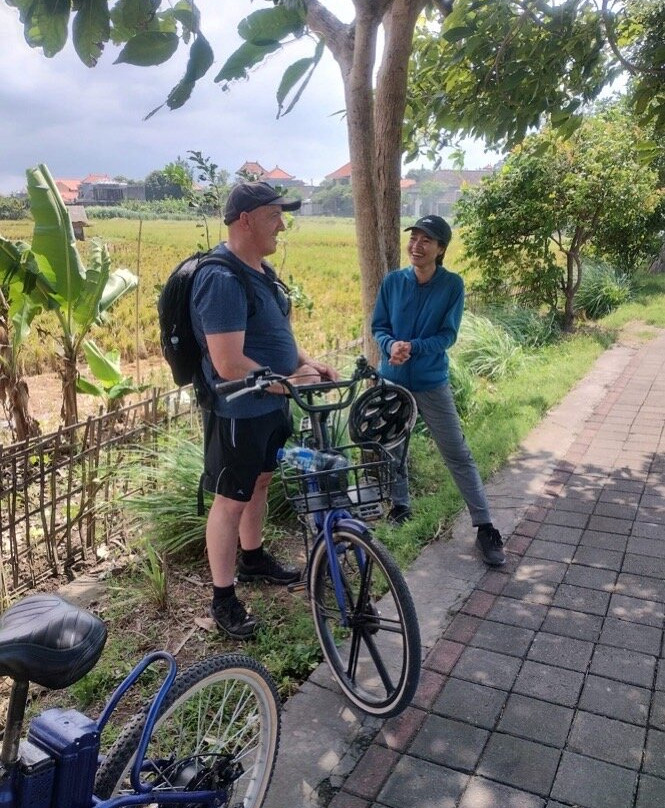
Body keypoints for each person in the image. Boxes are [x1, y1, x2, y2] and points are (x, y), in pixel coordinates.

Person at [191, 181, 338, 638]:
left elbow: (276, 337)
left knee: (260, 482)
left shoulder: (261, 270)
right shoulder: (221, 279)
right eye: (275, 215)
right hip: (238, 413)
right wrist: (289, 383)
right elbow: (228, 362)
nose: (282, 224)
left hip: (270, 406)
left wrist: (308, 363)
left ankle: (252, 560)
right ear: (246, 220)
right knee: (230, 500)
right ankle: (222, 598)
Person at [371, 214, 506, 567]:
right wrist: (390, 346)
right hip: (392, 379)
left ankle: (485, 526)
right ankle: (401, 505)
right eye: (414, 238)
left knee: (457, 452)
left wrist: (413, 347)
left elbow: (448, 335)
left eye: (426, 240)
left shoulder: (452, 285)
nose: (416, 246)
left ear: (441, 249)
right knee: (394, 448)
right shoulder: (393, 282)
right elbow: (379, 326)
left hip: (431, 381)